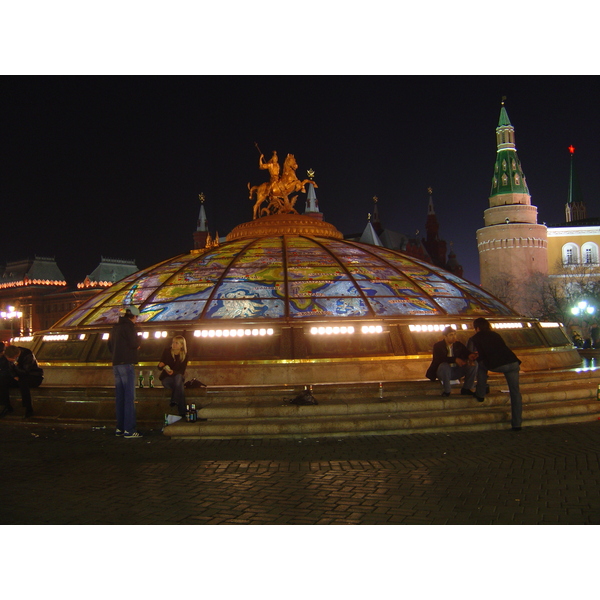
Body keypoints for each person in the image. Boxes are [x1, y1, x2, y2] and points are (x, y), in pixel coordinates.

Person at [467, 317, 523, 431]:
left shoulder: (474, 338)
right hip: (512, 363)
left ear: (477, 328)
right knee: (515, 392)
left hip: (497, 364)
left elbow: (471, 352)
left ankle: (480, 393)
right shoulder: (496, 335)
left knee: (481, 366)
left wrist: (473, 357)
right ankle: (517, 423)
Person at [107, 306, 142, 438]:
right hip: (127, 364)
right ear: (134, 316)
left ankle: (120, 428)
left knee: (120, 397)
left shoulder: (115, 328)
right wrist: (139, 340)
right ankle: (129, 429)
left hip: (116, 364)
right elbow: (134, 343)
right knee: (129, 398)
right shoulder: (129, 327)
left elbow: (109, 345)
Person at [426, 326, 477, 397]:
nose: (454, 337)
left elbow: (466, 353)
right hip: (443, 372)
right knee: (444, 365)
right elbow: (439, 359)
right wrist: (454, 359)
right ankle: (447, 391)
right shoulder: (438, 346)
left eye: (454, 334)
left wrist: (470, 356)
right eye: (451, 335)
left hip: (456, 370)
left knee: (474, 365)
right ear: (445, 336)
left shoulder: (458, 345)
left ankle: (467, 388)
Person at [0, 342, 44, 419]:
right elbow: (9, 369)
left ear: (15, 357)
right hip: (18, 376)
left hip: (33, 377)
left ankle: (28, 408)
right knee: (3, 381)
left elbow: (25, 371)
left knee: (23, 382)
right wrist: (14, 376)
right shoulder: (8, 354)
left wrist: (14, 363)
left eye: (10, 360)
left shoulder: (27, 354)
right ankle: (7, 406)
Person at [157, 335, 189, 418]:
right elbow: (160, 367)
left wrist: (173, 372)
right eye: (173, 342)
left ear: (182, 345)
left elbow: (181, 371)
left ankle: (175, 401)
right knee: (179, 387)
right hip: (167, 379)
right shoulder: (167, 351)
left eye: (176, 343)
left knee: (178, 377)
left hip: (177, 377)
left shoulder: (184, 355)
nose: (174, 345)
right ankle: (181, 409)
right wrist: (161, 365)